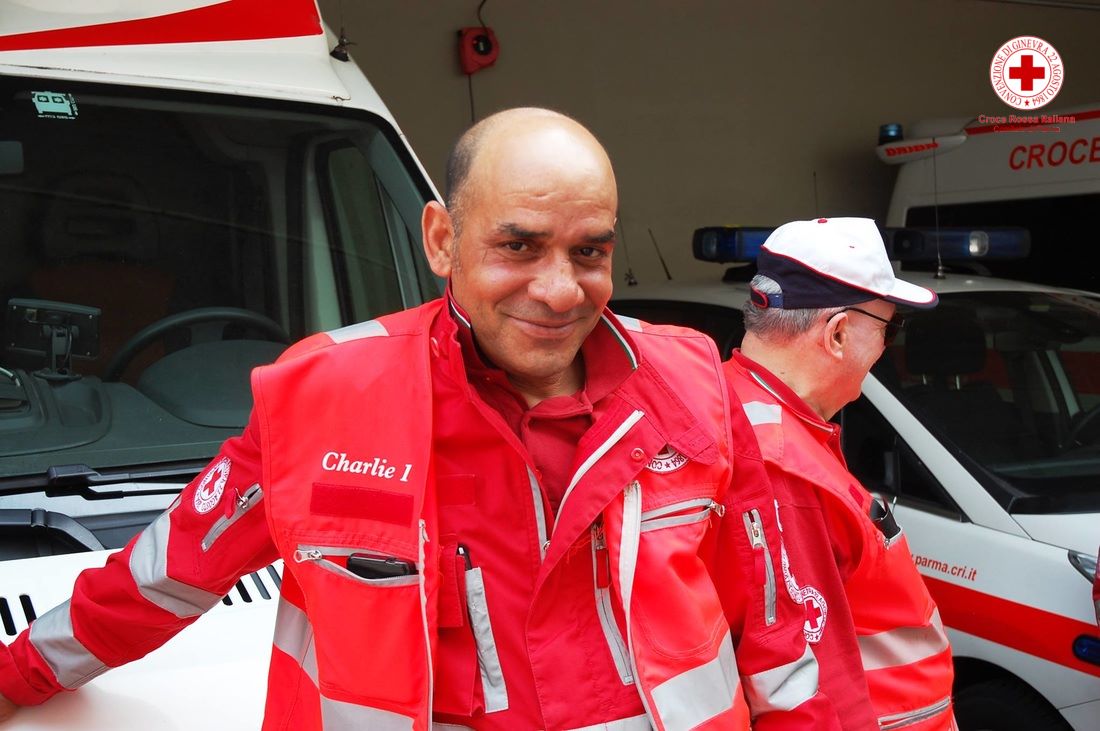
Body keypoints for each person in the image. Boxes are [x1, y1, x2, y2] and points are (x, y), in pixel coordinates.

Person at [0, 108, 842, 730]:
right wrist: (15, 676)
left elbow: (777, 631)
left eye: (588, 251)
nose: (560, 290)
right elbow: (163, 577)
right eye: (518, 245)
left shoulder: (693, 383)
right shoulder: (325, 398)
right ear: (441, 240)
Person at [723, 217, 958, 731]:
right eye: (889, 328)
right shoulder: (783, 470)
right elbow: (810, 686)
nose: (885, 349)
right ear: (838, 333)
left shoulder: (744, 406)